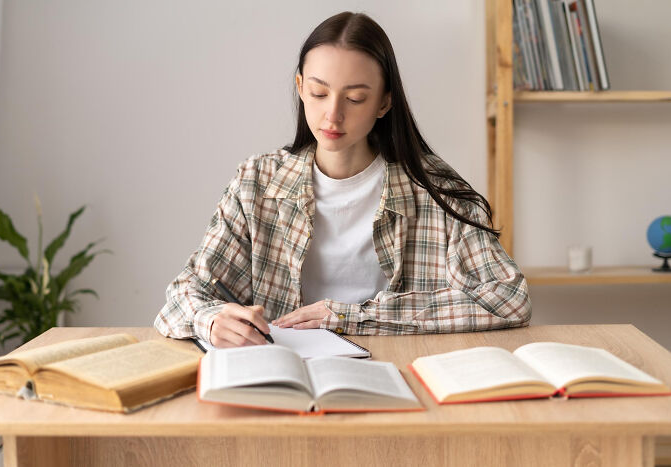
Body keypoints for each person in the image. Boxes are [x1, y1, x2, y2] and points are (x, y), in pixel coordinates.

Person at [154, 11, 531, 348]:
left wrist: (353, 316)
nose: (332, 115)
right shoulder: (256, 182)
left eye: (354, 99)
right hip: (282, 375)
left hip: (399, 372)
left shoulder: (432, 187)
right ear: (301, 88)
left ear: (384, 103)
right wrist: (213, 320)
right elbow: (182, 296)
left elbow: (509, 298)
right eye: (319, 93)